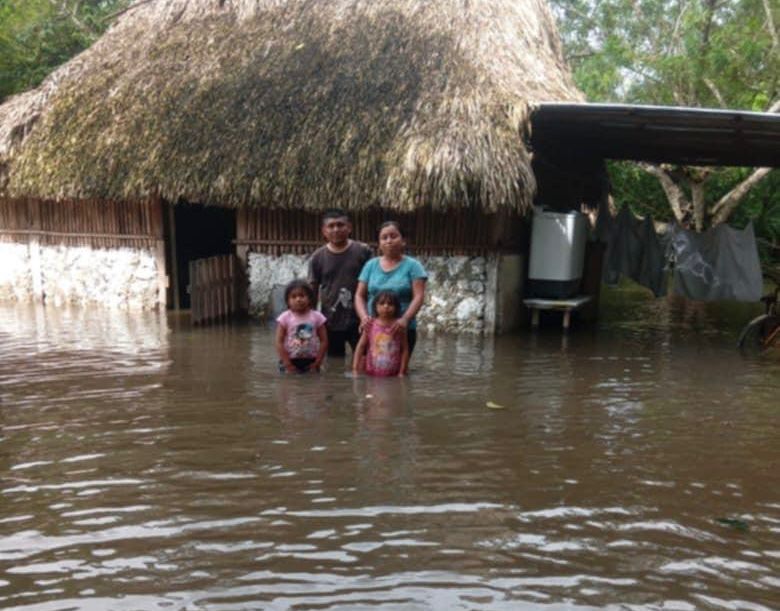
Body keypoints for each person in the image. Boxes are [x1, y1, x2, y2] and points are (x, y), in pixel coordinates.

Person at [354, 221, 427, 355]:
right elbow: (359, 295)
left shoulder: (414, 266)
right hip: (373, 327)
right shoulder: (370, 265)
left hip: (401, 329)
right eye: (384, 237)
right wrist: (364, 317)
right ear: (379, 243)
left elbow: (419, 296)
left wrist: (405, 319)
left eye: (393, 236)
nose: (389, 241)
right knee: (368, 369)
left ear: (403, 240)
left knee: (396, 369)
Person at [309, 209, 373, 358]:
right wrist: (310, 319)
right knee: (334, 363)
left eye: (340, 225)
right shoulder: (317, 257)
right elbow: (312, 290)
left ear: (349, 227)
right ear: (324, 231)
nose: (336, 229)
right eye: (331, 226)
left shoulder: (363, 251)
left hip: (361, 319)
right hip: (330, 321)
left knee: (365, 359)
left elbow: (373, 283)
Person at [275, 279, 328, 373]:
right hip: (289, 359)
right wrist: (287, 363)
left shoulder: (317, 317)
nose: (298, 299)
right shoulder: (284, 318)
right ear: (288, 301)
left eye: (302, 296)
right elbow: (279, 342)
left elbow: (324, 340)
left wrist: (318, 361)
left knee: (313, 385)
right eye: (293, 297)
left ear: (310, 298)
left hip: (311, 360)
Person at [353, 290, 409, 376]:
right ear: (375, 306)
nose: (386, 306)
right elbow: (361, 346)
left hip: (393, 374)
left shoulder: (399, 326)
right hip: (372, 372)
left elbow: (405, 350)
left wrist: (402, 372)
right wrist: (355, 369)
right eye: (382, 303)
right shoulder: (370, 324)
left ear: (396, 307)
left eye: (390, 304)